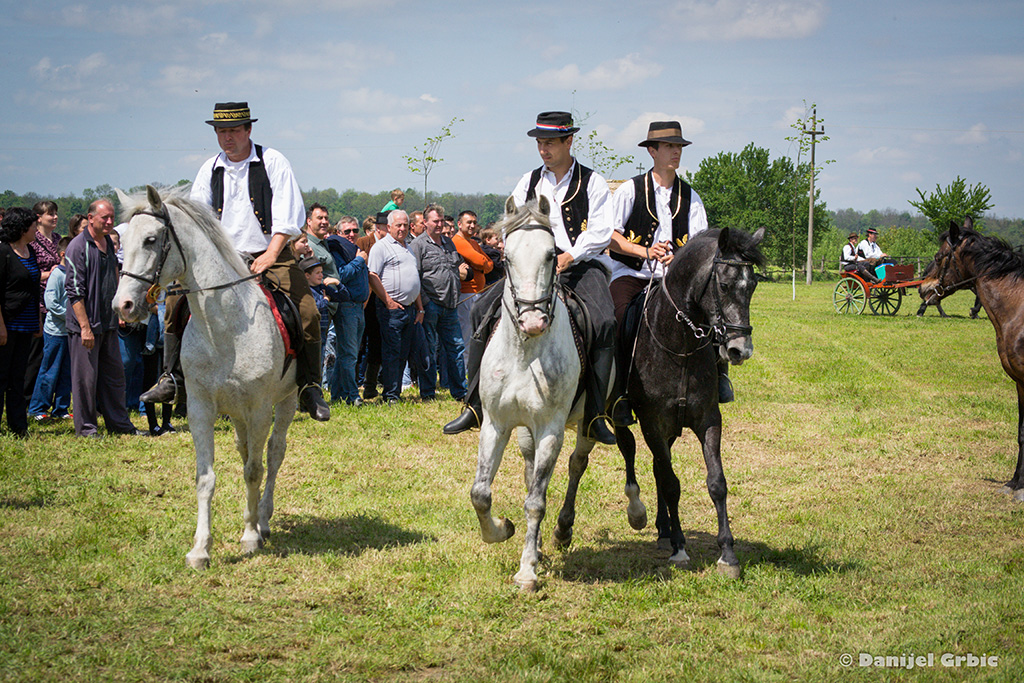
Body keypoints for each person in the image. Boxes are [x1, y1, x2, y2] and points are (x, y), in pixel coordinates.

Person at [141, 102, 329, 421]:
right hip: (221, 257)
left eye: (233, 131)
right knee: (174, 305)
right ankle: (171, 378)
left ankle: (309, 386)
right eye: (221, 131)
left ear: (248, 130)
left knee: (307, 311)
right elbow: (197, 218)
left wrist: (271, 253)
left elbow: (289, 215)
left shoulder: (273, 161)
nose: (227, 138)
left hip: (272, 252)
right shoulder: (209, 169)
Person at [444, 111, 617, 445]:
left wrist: (570, 255)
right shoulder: (528, 181)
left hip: (578, 266)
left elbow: (601, 230)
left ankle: (595, 412)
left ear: (569, 141)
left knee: (606, 320)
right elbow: (510, 226)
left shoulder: (592, 182)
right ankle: (474, 404)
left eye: (550, 142)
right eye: (540, 143)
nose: (543, 149)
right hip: (532, 269)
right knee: (481, 309)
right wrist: (522, 256)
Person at [606, 121, 713, 416]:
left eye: (678, 147)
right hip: (632, 275)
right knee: (618, 316)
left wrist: (678, 258)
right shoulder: (630, 190)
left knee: (713, 312)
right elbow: (611, 237)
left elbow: (701, 245)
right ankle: (618, 393)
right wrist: (645, 251)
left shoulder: (691, 197)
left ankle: (717, 379)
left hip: (675, 281)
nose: (676, 152)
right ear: (652, 151)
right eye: (669, 146)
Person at [65, 199, 139, 437]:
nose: (109, 221)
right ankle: (87, 429)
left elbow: (115, 276)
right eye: (104, 218)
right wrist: (85, 327)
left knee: (115, 377)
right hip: (86, 327)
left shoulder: (108, 241)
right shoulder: (78, 247)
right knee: (85, 382)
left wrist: (118, 312)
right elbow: (74, 292)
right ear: (90, 218)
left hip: (108, 324)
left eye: (111, 217)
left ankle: (120, 426)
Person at [409, 204, 469, 402]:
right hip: (430, 305)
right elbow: (415, 276)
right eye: (435, 221)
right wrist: (423, 304)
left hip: (450, 305)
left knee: (456, 348)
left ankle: (460, 391)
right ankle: (428, 392)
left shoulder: (449, 243)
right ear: (425, 222)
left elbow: (456, 266)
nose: (439, 224)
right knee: (428, 350)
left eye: (441, 221)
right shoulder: (418, 245)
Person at [366, 210, 424, 404]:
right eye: (398, 225)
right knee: (392, 353)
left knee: (403, 353)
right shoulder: (380, 247)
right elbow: (372, 275)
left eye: (405, 225)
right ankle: (390, 395)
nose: (402, 228)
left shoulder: (408, 248)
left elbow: (414, 280)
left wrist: (420, 308)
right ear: (388, 227)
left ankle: (395, 392)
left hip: (409, 309)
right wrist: (389, 301)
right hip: (390, 310)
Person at [0, 208, 42, 437]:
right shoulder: (3, 251)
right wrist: (1, 326)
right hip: (7, 323)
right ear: (22, 227)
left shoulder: (31, 251)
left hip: (26, 324)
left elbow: (34, 289)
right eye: (33, 225)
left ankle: (18, 426)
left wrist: (36, 320)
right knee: (1, 376)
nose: (36, 229)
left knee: (19, 377)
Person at [28, 235, 73, 422]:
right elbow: (51, 303)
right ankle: (38, 408)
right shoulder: (57, 275)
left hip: (70, 331)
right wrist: (71, 316)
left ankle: (61, 409)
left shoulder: (75, 275)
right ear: (63, 254)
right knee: (49, 370)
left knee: (66, 373)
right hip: (55, 332)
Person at [325, 216, 369, 405]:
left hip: (359, 306)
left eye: (355, 231)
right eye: (347, 231)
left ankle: (336, 395)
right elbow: (340, 275)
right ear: (338, 233)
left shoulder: (354, 249)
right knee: (350, 354)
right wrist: (360, 261)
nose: (352, 234)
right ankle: (352, 396)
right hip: (346, 306)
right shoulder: (337, 249)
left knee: (347, 354)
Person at [23, 201, 63, 404]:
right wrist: (51, 273)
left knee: (54, 354)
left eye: (56, 214)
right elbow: (28, 272)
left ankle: (52, 397)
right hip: (38, 301)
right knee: (37, 354)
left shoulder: (57, 239)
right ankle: (29, 396)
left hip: (58, 302)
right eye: (50, 214)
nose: (55, 217)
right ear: (38, 217)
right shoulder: (32, 241)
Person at [356, 212, 390, 399]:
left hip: (381, 300)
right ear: (379, 228)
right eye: (388, 227)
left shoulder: (392, 245)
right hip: (364, 301)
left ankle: (370, 385)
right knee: (358, 344)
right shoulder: (362, 243)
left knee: (377, 344)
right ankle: (352, 385)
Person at [451, 210, 493, 350]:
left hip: (478, 293)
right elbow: (481, 262)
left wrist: (482, 267)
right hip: (467, 294)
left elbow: (489, 264)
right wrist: (482, 267)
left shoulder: (473, 243)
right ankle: (465, 368)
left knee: (475, 332)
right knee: (467, 333)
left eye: (474, 222)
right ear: (459, 224)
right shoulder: (458, 241)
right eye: (469, 222)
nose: (472, 225)